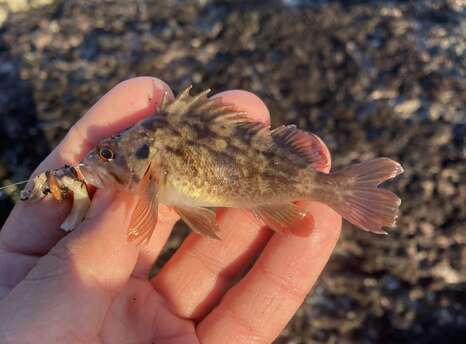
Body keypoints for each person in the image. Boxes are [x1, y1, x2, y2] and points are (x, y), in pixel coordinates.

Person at [0, 77, 341, 343]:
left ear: (147, 155)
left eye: (106, 155)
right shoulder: (146, 154)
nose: (98, 161)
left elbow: (142, 223)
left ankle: (339, 191)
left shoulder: (149, 174)